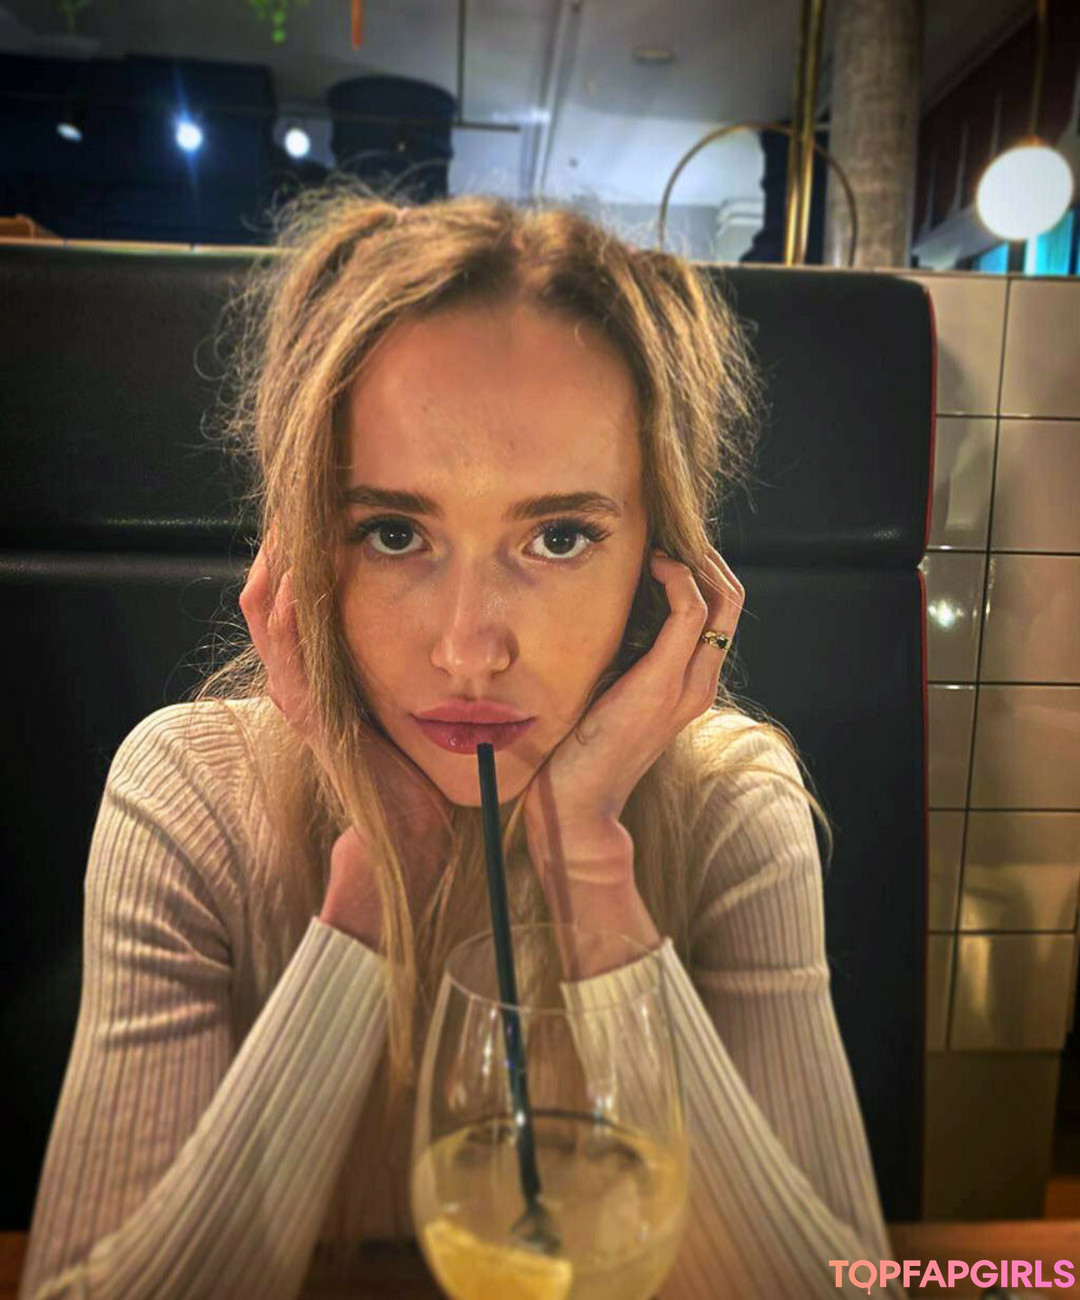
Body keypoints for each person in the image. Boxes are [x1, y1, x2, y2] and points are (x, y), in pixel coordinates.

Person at [18, 192, 907, 1299]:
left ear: (661, 563)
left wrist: (589, 861)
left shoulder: (734, 810)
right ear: (304, 557)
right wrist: (370, 887)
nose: (468, 650)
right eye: (394, 533)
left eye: (560, 536)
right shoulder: (191, 799)